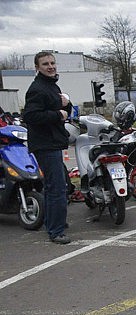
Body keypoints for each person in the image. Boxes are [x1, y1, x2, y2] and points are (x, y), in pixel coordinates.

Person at [22, 51, 72, 244]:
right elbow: (31, 116)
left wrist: (66, 105)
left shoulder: (51, 85)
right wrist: (58, 115)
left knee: (56, 186)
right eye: (45, 64)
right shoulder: (37, 88)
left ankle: (55, 222)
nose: (50, 66)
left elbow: (59, 109)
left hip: (52, 142)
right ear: (37, 67)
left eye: (52, 63)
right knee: (56, 188)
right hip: (45, 144)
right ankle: (56, 231)